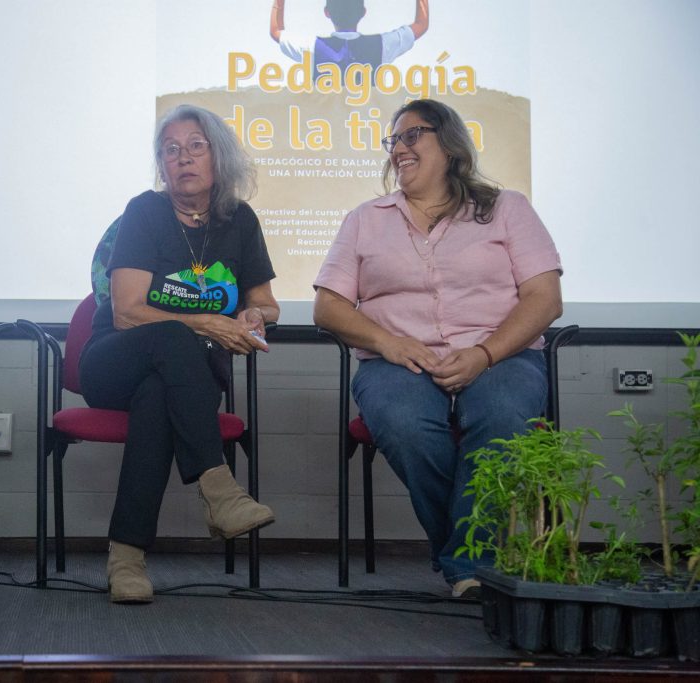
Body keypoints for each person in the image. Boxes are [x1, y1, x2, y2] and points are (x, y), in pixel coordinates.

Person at [312, 99, 562, 598]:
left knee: (502, 413)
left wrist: (484, 354)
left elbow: (545, 298)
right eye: (393, 140)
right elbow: (328, 308)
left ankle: (464, 561)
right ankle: (470, 559)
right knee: (405, 424)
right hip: (395, 360)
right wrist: (390, 342)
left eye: (412, 136)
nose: (399, 148)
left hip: (502, 355)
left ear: (449, 145)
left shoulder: (506, 208)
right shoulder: (365, 219)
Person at [81, 104, 280, 604]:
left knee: (157, 401)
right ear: (161, 163)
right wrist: (204, 321)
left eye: (196, 146)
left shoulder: (240, 221)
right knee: (173, 336)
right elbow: (127, 311)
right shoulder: (145, 212)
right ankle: (218, 487)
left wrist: (255, 317)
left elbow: (265, 301)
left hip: (183, 376)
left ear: (219, 156)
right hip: (115, 360)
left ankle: (126, 559)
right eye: (171, 150)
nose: (183, 158)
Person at [270, 0, 429, 80]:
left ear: (327, 13)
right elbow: (421, 24)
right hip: (365, 128)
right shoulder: (381, 45)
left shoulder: (313, 47)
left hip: (323, 131)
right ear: (363, 12)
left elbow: (276, 31)